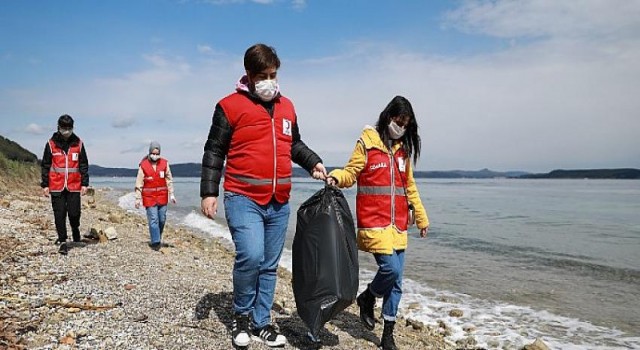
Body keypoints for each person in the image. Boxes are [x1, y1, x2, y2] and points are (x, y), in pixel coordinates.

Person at [200, 43, 327, 348]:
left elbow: (293, 144)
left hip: (279, 200)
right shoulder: (229, 106)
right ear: (248, 75)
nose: (270, 81)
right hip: (242, 197)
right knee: (251, 256)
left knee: (270, 264)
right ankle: (241, 318)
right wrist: (208, 192)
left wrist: (314, 163)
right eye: (263, 76)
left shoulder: (287, 107)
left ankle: (261, 323)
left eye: (273, 74)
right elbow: (214, 150)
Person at [326, 95, 429, 350]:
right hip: (375, 223)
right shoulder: (368, 143)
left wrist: (422, 217)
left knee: (397, 283)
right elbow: (351, 172)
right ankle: (368, 296)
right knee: (391, 270)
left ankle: (387, 336)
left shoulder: (403, 150)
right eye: (398, 120)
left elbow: (410, 187)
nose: (401, 126)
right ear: (388, 116)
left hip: (398, 225)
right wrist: (337, 177)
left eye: (406, 123)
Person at [41, 114, 89, 255]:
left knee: (74, 213)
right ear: (59, 127)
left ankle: (75, 228)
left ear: (72, 128)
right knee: (59, 214)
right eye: (64, 128)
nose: (66, 131)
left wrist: (85, 183)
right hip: (56, 185)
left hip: (74, 185)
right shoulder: (51, 144)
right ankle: (62, 241)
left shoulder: (78, 143)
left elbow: (83, 164)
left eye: (69, 128)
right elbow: (45, 165)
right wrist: (45, 185)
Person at [134, 141, 176, 251]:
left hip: (162, 196)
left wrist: (172, 194)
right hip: (149, 198)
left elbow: (169, 179)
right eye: (153, 153)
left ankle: (158, 236)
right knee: (153, 219)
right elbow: (139, 183)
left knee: (162, 219)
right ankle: (155, 242)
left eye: (157, 153)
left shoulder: (164, 163)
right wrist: (138, 199)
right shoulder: (143, 166)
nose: (155, 155)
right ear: (149, 152)